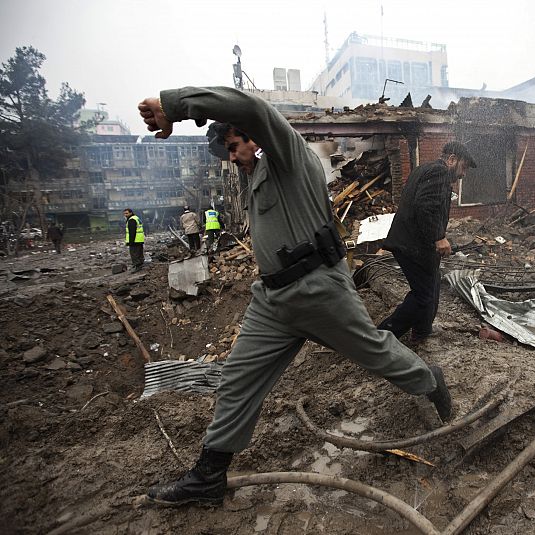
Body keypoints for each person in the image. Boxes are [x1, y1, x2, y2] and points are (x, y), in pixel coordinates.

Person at [137, 86, 452, 506]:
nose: (232, 157)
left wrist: (175, 106)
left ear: (254, 136)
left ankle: (430, 381)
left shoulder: (288, 156)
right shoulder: (256, 180)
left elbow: (251, 107)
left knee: (376, 352)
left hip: (318, 290)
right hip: (273, 301)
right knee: (237, 380)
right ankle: (208, 476)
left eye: (234, 146)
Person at [378, 142, 476, 345]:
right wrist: (438, 237)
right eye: (463, 167)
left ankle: (421, 331)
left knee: (432, 286)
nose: (463, 174)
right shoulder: (439, 172)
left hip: (416, 244)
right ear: (451, 159)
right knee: (422, 295)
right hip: (412, 246)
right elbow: (425, 206)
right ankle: (380, 337)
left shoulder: (426, 169)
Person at [123, 208, 145, 272]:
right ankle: (140, 264)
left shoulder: (131, 220)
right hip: (139, 239)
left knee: (134, 254)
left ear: (131, 213)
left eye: (127, 213)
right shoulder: (136, 218)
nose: (125, 215)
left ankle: (137, 267)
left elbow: (132, 232)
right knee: (139, 253)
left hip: (135, 240)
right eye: (124, 213)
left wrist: (131, 242)